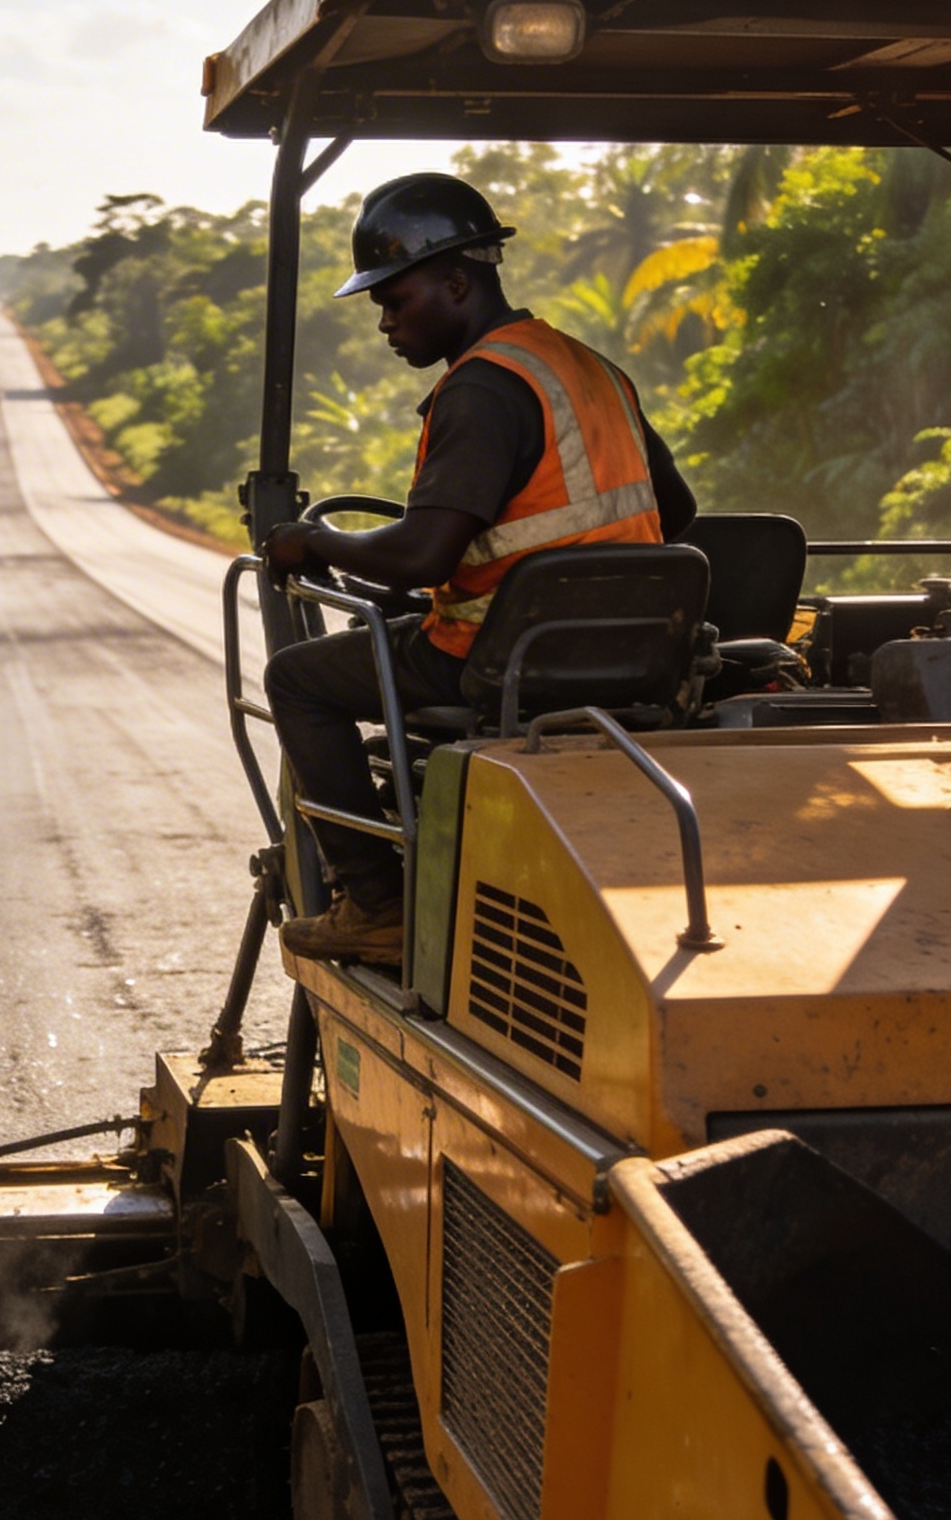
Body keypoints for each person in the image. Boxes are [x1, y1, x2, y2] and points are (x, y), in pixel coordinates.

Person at [262, 172, 697, 967]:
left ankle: (377, 903)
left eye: (396, 302)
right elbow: (680, 513)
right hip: (626, 654)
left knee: (298, 678)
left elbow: (422, 553)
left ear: (456, 282)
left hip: (498, 658)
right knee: (382, 634)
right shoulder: (588, 367)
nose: (387, 324)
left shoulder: (483, 389)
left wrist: (310, 543)